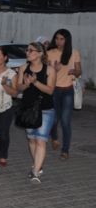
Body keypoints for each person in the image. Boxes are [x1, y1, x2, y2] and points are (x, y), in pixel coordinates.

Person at [17, 42, 55, 183]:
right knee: (32, 139)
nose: (27, 52)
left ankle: (35, 173)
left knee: (41, 140)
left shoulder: (49, 70)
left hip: (45, 109)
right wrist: (26, 84)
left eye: (31, 50)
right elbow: (19, 88)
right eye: (27, 50)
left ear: (40, 53)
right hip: (28, 108)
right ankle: (37, 166)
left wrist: (35, 82)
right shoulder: (23, 68)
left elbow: (50, 90)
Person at [47, 29, 81, 160]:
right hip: (54, 90)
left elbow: (79, 71)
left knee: (66, 121)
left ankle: (65, 150)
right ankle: (54, 137)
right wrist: (53, 70)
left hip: (68, 90)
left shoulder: (74, 53)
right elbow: (46, 73)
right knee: (54, 120)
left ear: (67, 40)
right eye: (56, 38)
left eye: (61, 39)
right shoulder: (50, 53)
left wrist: (74, 71)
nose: (58, 41)